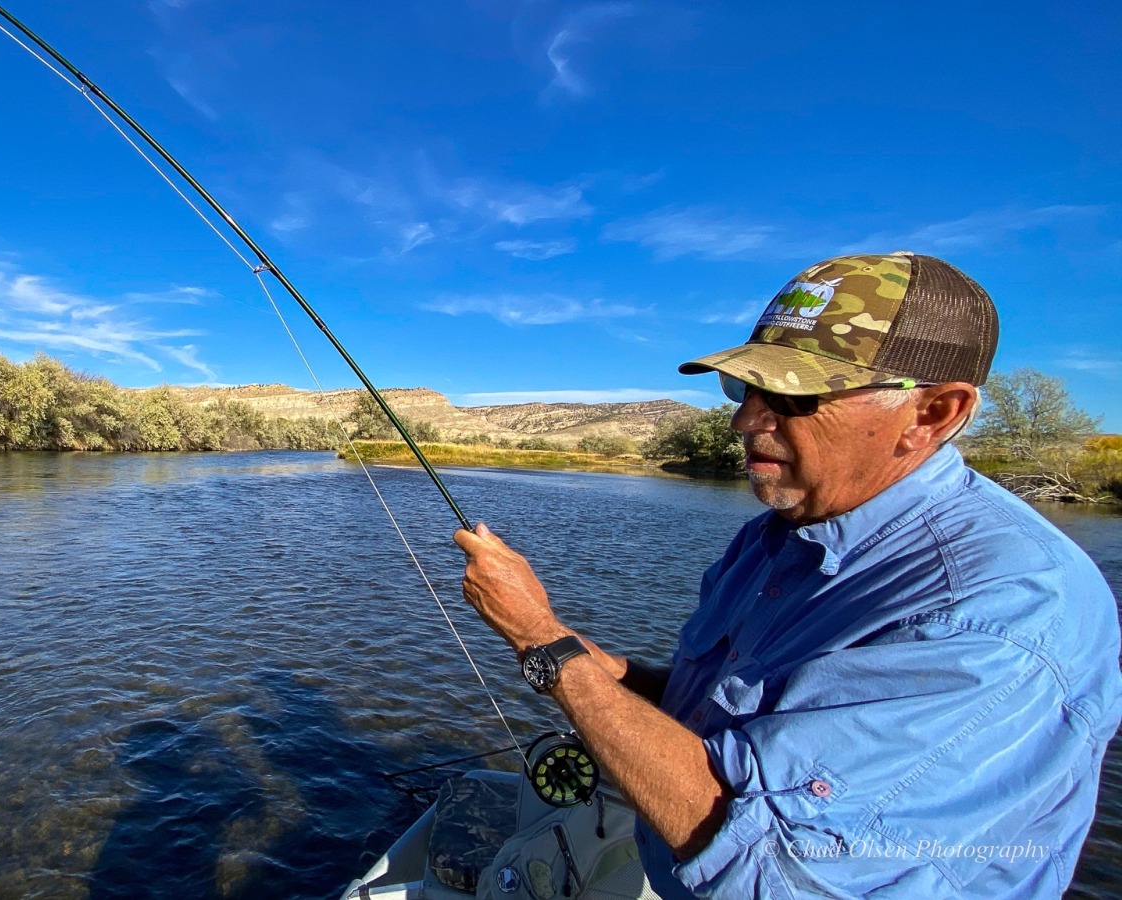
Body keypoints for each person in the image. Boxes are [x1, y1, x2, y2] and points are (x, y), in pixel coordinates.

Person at [455, 252, 1121, 898]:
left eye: (791, 396)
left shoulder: (1001, 609)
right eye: (743, 388)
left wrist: (541, 641)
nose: (746, 419)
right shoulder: (777, 533)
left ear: (932, 413)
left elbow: (769, 868)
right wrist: (597, 664)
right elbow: (732, 716)